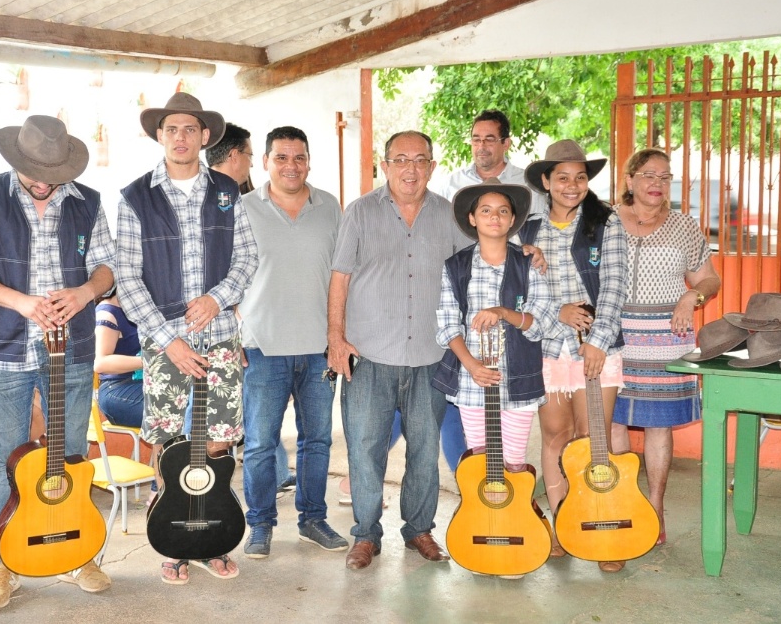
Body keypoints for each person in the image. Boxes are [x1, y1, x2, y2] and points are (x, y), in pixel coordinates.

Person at [0, 115, 116, 608]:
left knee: (72, 455)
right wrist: (22, 302)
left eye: (53, 173)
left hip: (73, 348)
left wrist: (83, 293)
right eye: (34, 171)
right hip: (4, 348)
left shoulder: (88, 201)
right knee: (5, 464)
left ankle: (79, 554)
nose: (43, 182)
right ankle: (1, 564)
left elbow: (109, 265)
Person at [116, 92, 258, 584]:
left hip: (220, 335)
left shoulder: (227, 190)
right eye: (171, 129)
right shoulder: (136, 197)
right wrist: (167, 338)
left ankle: (213, 537)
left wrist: (218, 299)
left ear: (204, 137)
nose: (180, 137)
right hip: (163, 345)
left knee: (217, 442)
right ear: (160, 135)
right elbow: (127, 278)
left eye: (189, 129)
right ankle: (175, 543)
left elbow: (246, 258)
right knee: (170, 443)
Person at [328, 130, 471, 570]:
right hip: (369, 354)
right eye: (401, 160)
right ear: (384, 165)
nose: (411, 168)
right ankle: (367, 535)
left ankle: (419, 530)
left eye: (420, 160)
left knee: (425, 451)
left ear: (432, 165)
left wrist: (526, 256)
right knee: (365, 448)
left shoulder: (449, 215)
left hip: (431, 356)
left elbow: (478, 264)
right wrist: (335, 338)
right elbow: (340, 278)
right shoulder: (360, 212)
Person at [237, 126, 347, 559]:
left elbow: (343, 275)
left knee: (317, 440)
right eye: (281, 157)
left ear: (308, 162)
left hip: (318, 346)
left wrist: (339, 336)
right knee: (262, 442)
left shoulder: (330, 207)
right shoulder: (243, 209)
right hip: (262, 346)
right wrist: (234, 333)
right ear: (265, 161)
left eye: (299, 157)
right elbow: (226, 276)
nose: (291, 166)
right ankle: (260, 524)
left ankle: (313, 519)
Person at [520, 139, 628, 572]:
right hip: (547, 349)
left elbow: (617, 285)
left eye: (580, 177)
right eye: (562, 177)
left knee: (592, 440)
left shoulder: (607, 223)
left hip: (595, 349)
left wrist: (598, 341)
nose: (572, 185)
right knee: (555, 438)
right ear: (546, 181)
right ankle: (564, 524)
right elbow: (518, 292)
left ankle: (601, 526)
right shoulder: (526, 229)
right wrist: (555, 311)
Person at [610, 148, 721, 546]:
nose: (656, 184)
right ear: (630, 180)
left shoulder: (684, 226)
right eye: (648, 175)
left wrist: (692, 299)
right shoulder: (606, 222)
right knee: (614, 420)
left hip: (666, 337)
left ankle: (654, 508)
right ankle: (623, 503)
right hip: (614, 335)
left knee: (658, 425)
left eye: (664, 177)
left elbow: (709, 280)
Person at [435, 179, 557, 480]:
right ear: (472, 218)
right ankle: (485, 522)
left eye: (503, 211)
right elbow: (449, 324)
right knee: (480, 459)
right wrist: (472, 365)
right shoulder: (456, 266)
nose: (495, 217)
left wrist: (504, 313)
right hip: (473, 379)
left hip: (518, 378)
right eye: (486, 210)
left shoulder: (528, 264)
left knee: (514, 463)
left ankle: (515, 521)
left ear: (513, 220)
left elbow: (544, 321)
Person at [206, 123, 294, 495]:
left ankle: (269, 477)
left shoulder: (233, 198)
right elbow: (223, 271)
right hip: (211, 329)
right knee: (214, 428)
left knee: (252, 415)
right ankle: (192, 498)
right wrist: (233, 328)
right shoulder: (216, 201)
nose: (253, 166)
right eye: (251, 156)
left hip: (240, 325)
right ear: (235, 156)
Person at [437, 110, 546, 215]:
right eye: (476, 140)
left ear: (506, 144)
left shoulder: (528, 187)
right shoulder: (451, 185)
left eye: (489, 140)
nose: (481, 146)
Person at [94, 292, 143, 429]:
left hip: (146, 384)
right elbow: (100, 363)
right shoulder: (107, 313)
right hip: (117, 390)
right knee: (176, 409)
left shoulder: (142, 308)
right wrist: (151, 362)